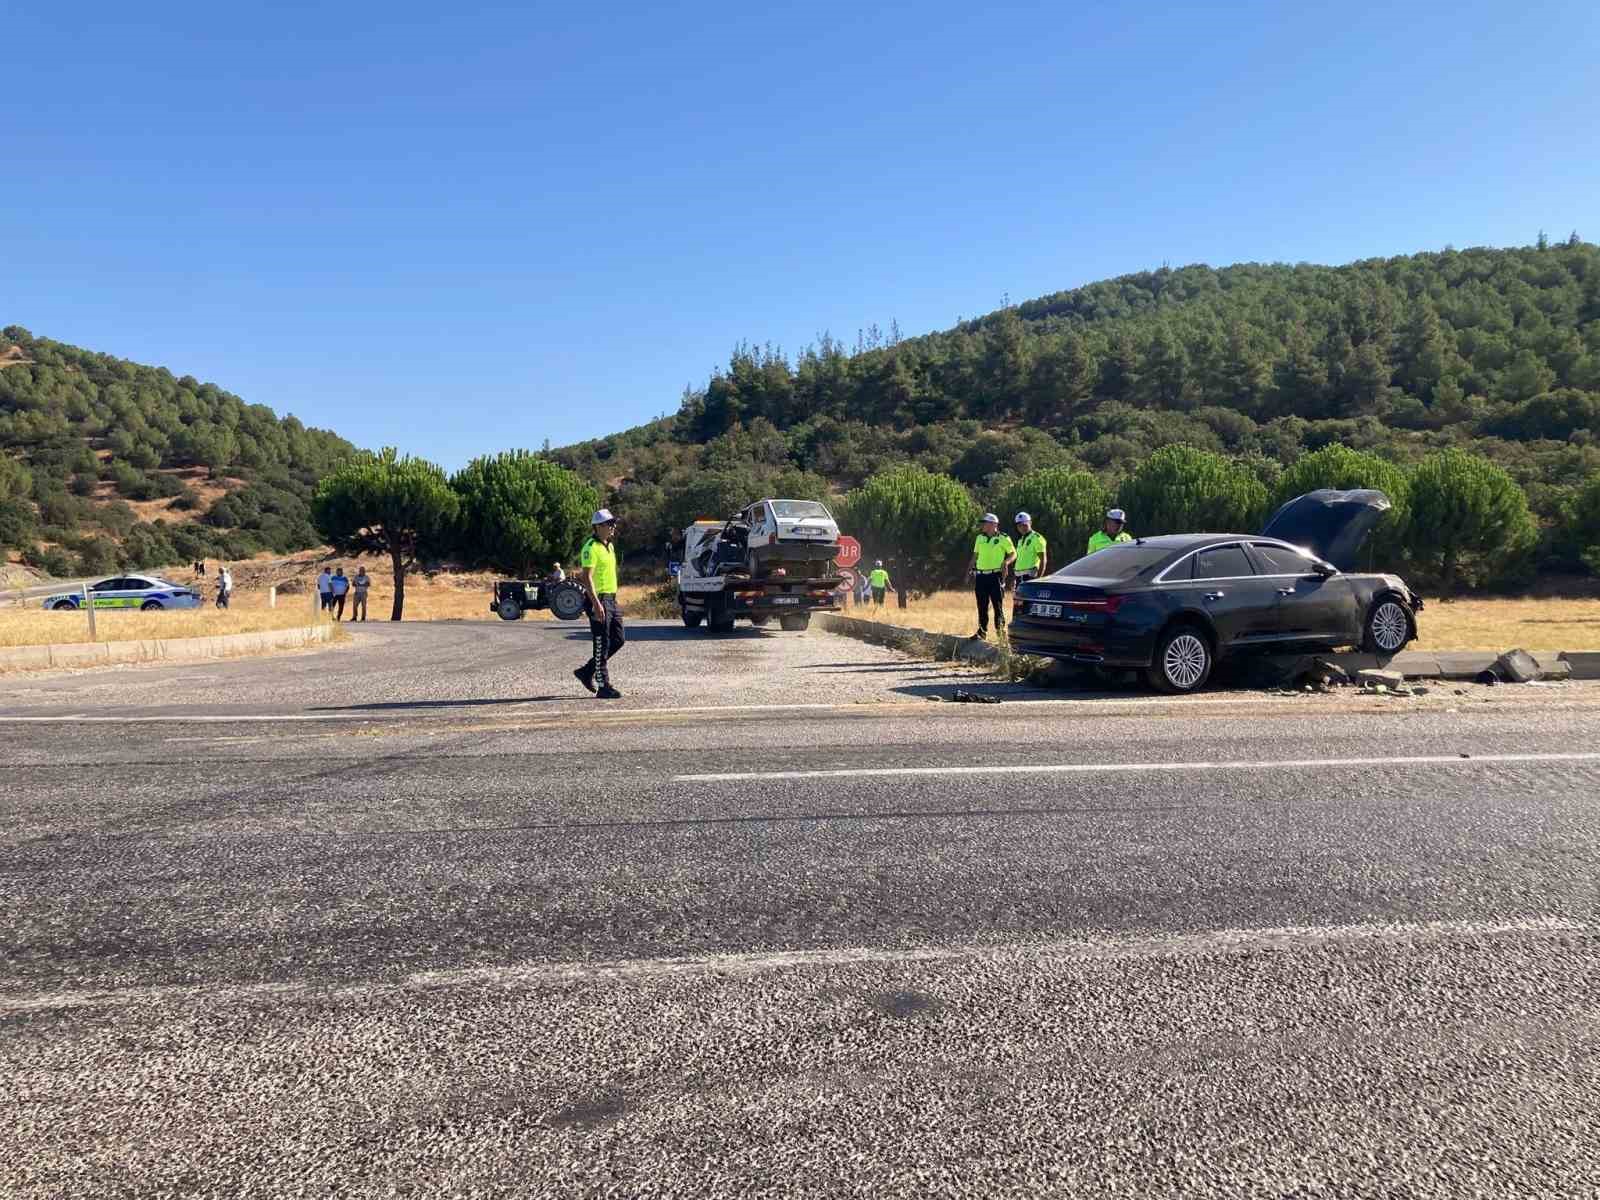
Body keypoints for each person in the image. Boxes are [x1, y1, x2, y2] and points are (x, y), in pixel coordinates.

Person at [574, 509, 624, 700]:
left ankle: (586, 671)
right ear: (598, 526)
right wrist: (596, 603)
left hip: (611, 599)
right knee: (601, 643)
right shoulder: (590, 547)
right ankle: (604, 686)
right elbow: (586, 577)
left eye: (613, 523)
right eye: (609, 523)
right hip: (598, 600)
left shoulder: (609, 546)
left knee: (618, 640)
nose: (613, 526)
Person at [969, 513, 1015, 640]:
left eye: (984, 523)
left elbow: (1013, 554)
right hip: (981, 576)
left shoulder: (1003, 538)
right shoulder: (980, 538)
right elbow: (975, 556)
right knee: (982, 605)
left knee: (997, 605)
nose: (982, 525)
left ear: (993, 524)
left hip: (995, 576)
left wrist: (1006, 562)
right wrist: (969, 570)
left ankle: (1000, 634)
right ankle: (982, 631)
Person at [1011, 512, 1048, 620]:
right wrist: (1014, 578)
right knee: (1017, 604)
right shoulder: (1020, 540)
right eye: (1019, 525)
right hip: (1019, 576)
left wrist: (1039, 579)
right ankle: (1016, 626)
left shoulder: (1037, 538)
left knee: (1028, 606)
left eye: (1024, 525)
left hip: (1030, 576)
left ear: (1030, 523)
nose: (1021, 527)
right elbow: (1020, 560)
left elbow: (1043, 560)